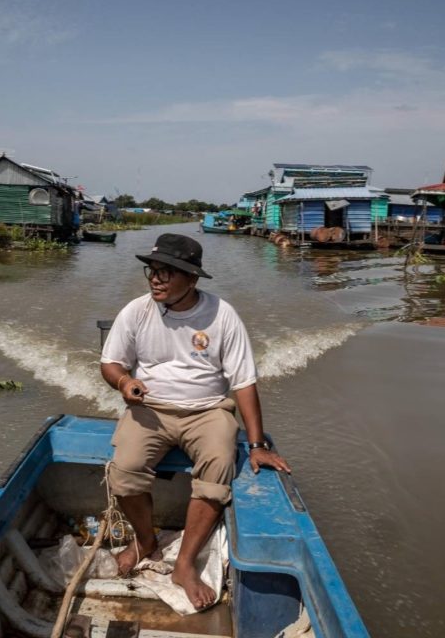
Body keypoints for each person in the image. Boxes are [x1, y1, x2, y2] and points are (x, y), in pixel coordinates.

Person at [100, 233, 290, 610]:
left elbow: (243, 382)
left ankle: (184, 565)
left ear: (192, 279)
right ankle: (145, 541)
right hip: (150, 408)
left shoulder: (222, 316)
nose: (156, 279)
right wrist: (125, 382)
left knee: (219, 465)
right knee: (124, 469)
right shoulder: (136, 311)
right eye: (152, 270)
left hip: (208, 411)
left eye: (167, 272)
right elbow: (111, 363)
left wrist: (257, 446)